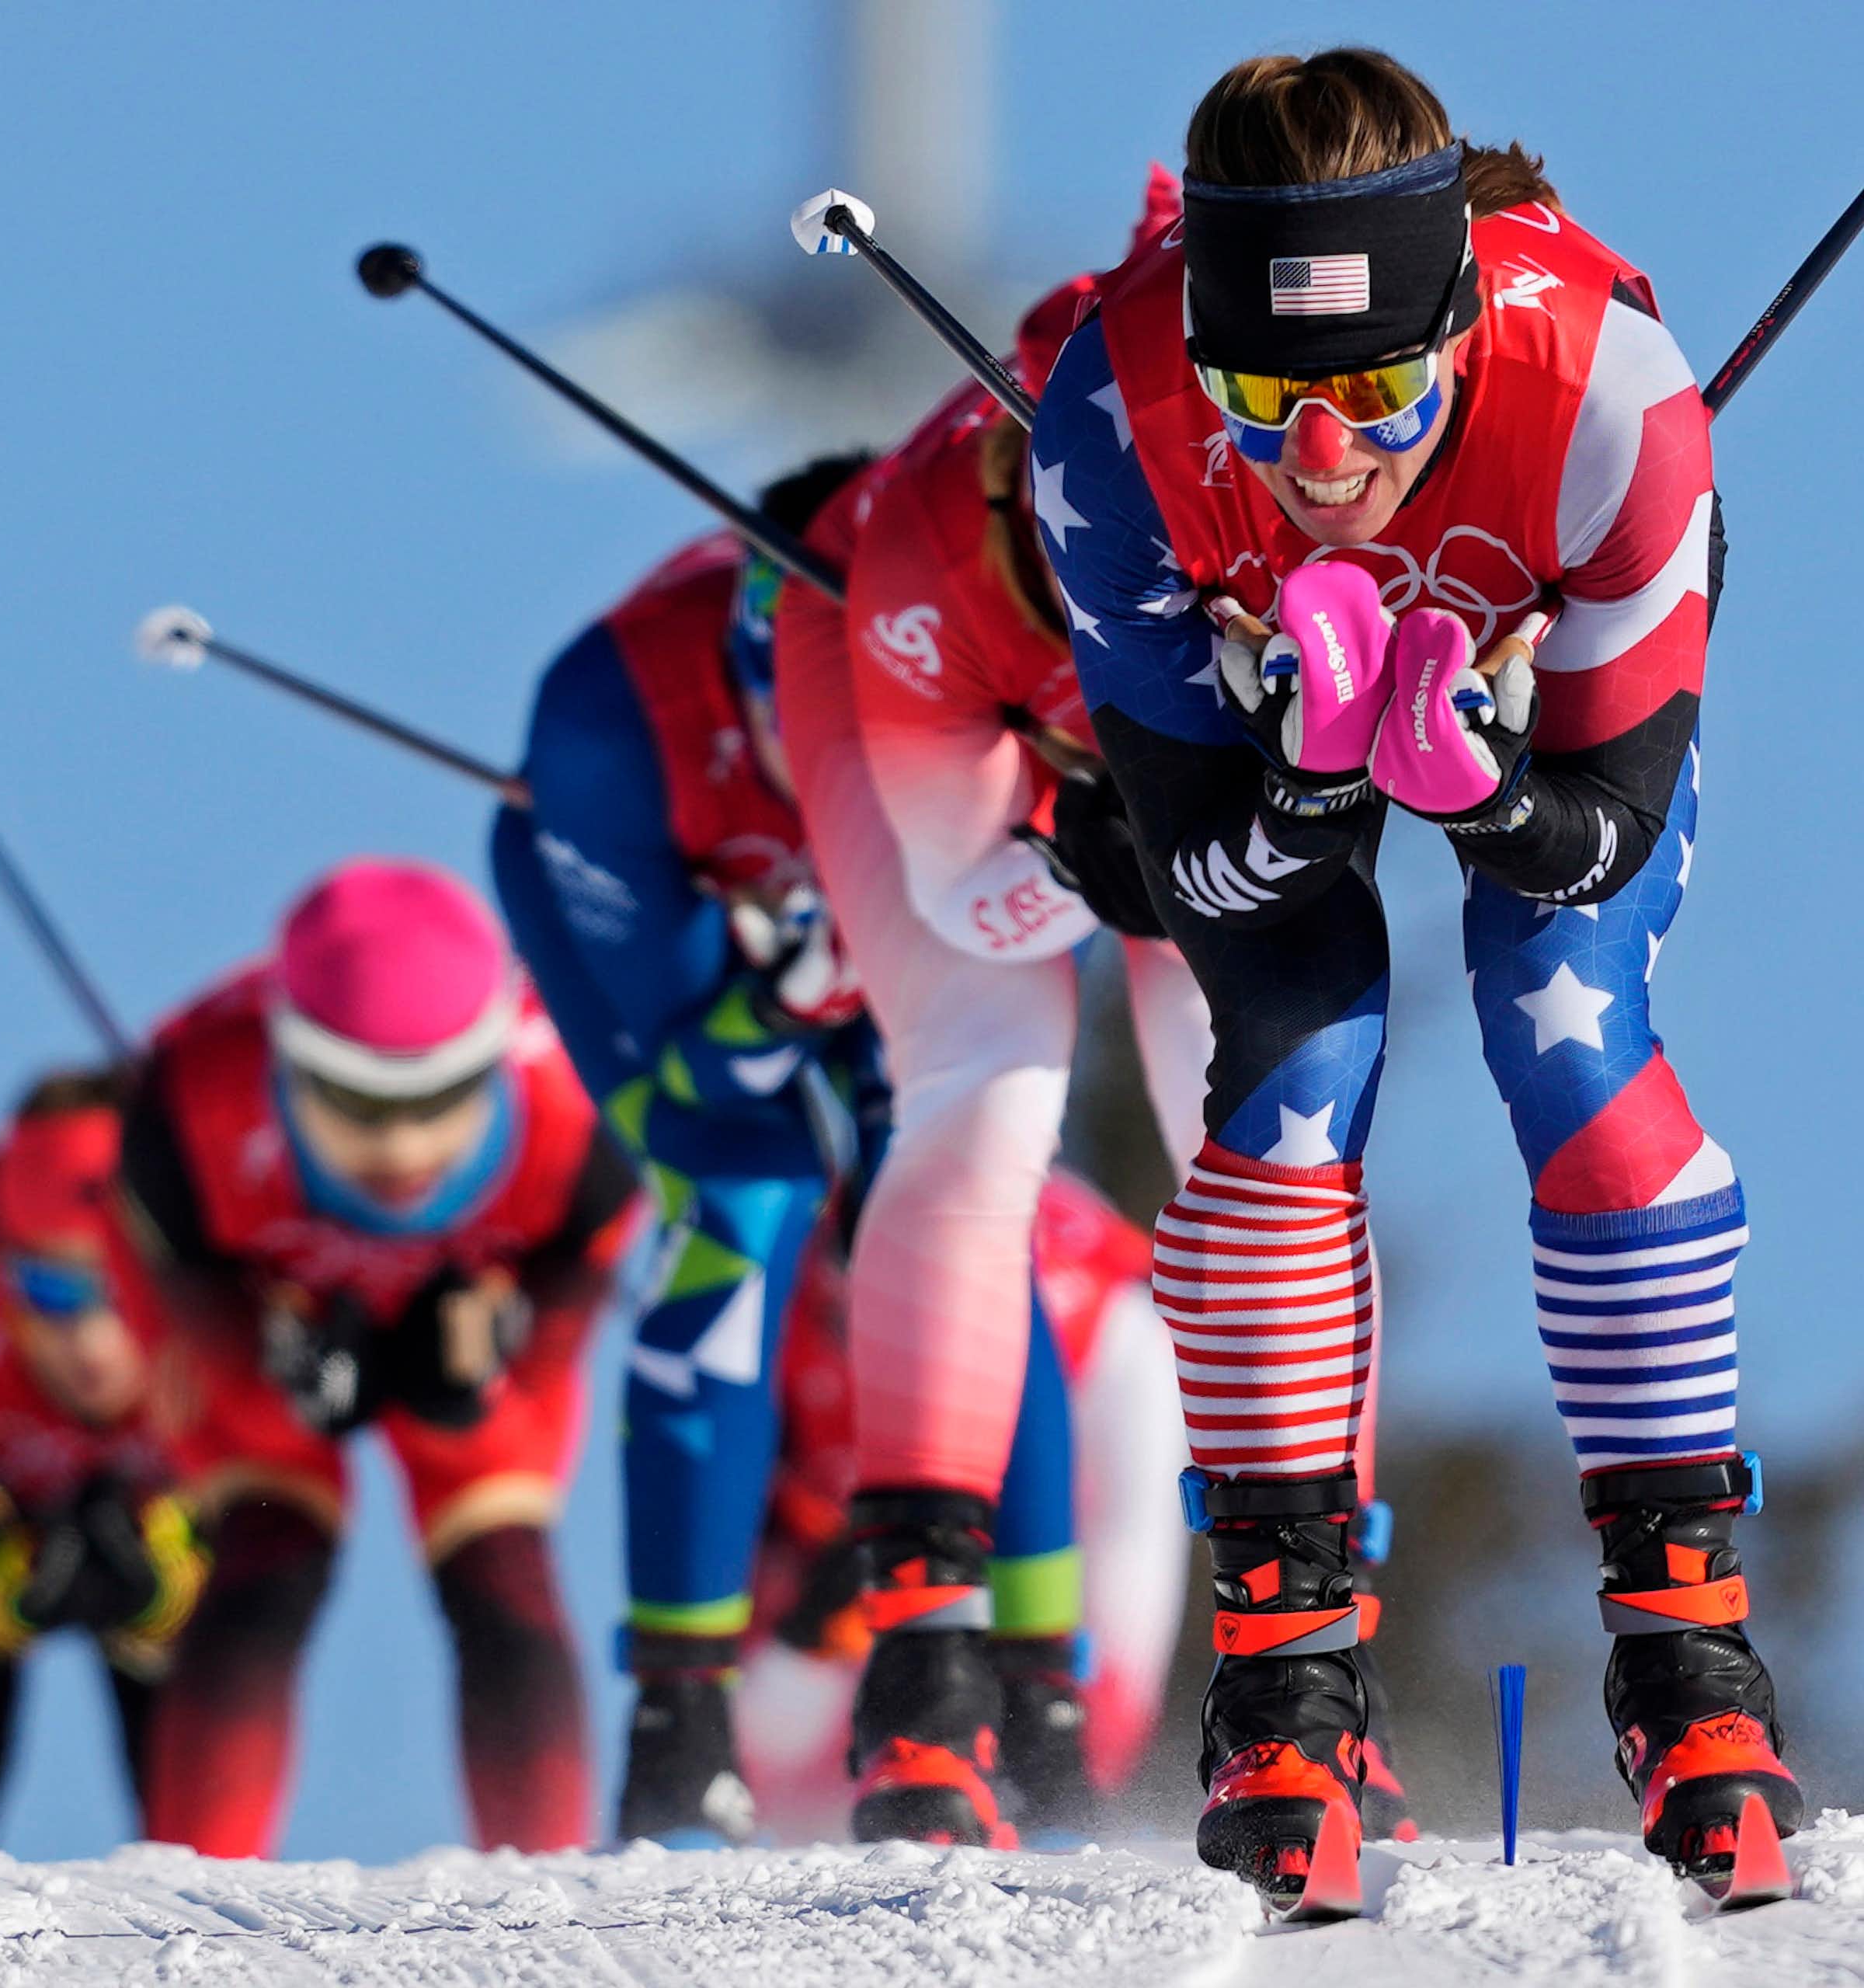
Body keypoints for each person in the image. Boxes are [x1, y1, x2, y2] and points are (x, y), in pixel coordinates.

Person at [1030, 47, 1792, 1899]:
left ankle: (1683, 1654)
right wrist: (1299, 777)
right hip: (1254, 701)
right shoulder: (1110, 422)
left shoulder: (1615, 401)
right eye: (1264, 394)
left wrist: (1486, 786)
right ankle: (1286, 1685)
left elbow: (1603, 838)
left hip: (1530, 679)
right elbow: (1191, 870)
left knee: (1574, 1040)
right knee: (1292, 1069)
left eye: (1375, 391)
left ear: (1454, 321)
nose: (1320, 459)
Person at [769, 171, 1401, 1848]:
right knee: (982, 1084)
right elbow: (954, 881)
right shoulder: (930, 557)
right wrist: (1095, 850)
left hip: (1151, 789)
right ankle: (928, 1665)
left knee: (1274, 1106)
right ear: (1003, 478)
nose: (1116, 555)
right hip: (941, 744)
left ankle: (1319, 1646)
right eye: (1068, 528)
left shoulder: (1274, 489)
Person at [488, 472, 1122, 1845]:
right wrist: (766, 997)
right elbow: (683, 1078)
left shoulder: (991, 676)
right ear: (749, 671)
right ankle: (680, 1721)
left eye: (868, 726)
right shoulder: (615, 723)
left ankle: (1033, 1689)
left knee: (960, 1205)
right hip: (694, 944)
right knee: (739, 1200)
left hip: (887, 937)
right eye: (804, 716)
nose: (839, 752)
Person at [120, 858, 638, 1856]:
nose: (402, 1146)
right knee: (267, 1552)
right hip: (274, 1306)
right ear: (288, 1062)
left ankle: (544, 1889)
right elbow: (188, 1304)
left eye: (444, 1097)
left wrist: (485, 1373)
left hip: (476, 1306)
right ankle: (179, 1891)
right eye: (355, 1103)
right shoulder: (188, 1093)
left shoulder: (577, 1102)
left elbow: (564, 1314)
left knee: (499, 1565)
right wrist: (279, 1372)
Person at [736, 1169, 1194, 1844]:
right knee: (809, 1685)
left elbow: (1120, 1622)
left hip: (1091, 1339)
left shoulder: (1092, 1329)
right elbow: (752, 1746)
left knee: (1095, 1688)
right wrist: (810, 1632)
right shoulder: (783, 1344)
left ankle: (1048, 1779)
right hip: (945, 1305)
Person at [0, 1072, 203, 1854]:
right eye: (51, 1289)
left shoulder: (216, 1307)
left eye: (119, 1290)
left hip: (157, 1527)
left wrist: (169, 1588)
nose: (88, 1337)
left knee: (187, 1728)